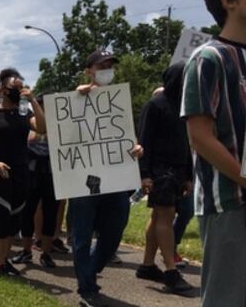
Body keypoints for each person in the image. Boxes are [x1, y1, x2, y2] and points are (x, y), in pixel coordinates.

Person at [182, 0, 246, 307]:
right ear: (228, 1)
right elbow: (200, 138)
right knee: (224, 300)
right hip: (228, 202)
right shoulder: (208, 58)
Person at [68, 49, 144, 306]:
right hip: (84, 180)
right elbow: (64, 134)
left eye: (110, 65)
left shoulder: (118, 101)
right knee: (82, 235)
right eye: (102, 65)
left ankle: (90, 271)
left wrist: (136, 147)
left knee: (113, 233)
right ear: (89, 70)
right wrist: (79, 96)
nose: (107, 70)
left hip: (115, 181)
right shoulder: (76, 98)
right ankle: (87, 287)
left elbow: (126, 134)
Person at [0, 69, 46, 275]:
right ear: (4, 90)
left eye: (22, 86)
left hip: (21, 170)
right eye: (16, 87)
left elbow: (42, 128)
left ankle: (4, 259)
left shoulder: (24, 113)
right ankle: (1, 262)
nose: (20, 90)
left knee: (15, 217)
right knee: (2, 215)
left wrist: (32, 100)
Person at [135, 62, 195, 293]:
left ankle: (147, 265)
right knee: (165, 218)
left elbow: (186, 143)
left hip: (178, 171)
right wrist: (145, 174)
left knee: (158, 216)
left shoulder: (185, 107)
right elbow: (144, 140)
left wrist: (188, 175)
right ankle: (171, 271)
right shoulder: (155, 105)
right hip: (161, 171)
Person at [14, 96, 59, 268]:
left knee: (50, 213)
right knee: (27, 212)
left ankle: (46, 252)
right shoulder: (28, 121)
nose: (43, 107)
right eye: (40, 104)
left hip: (52, 173)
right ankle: (26, 251)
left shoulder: (60, 123)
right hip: (31, 172)